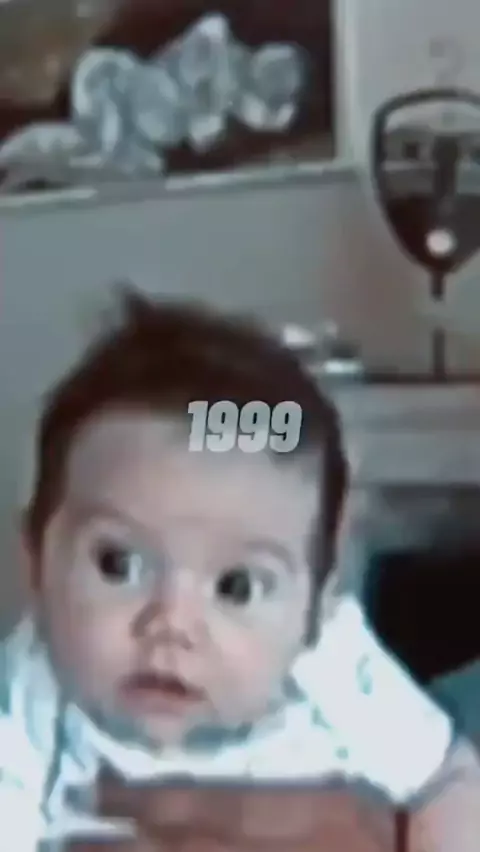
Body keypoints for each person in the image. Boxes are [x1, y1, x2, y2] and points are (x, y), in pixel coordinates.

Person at [0, 288, 478, 851]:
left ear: (318, 606)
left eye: (237, 587)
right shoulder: (30, 690)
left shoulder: (337, 668)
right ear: (36, 559)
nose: (172, 624)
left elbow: (447, 779)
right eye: (118, 564)